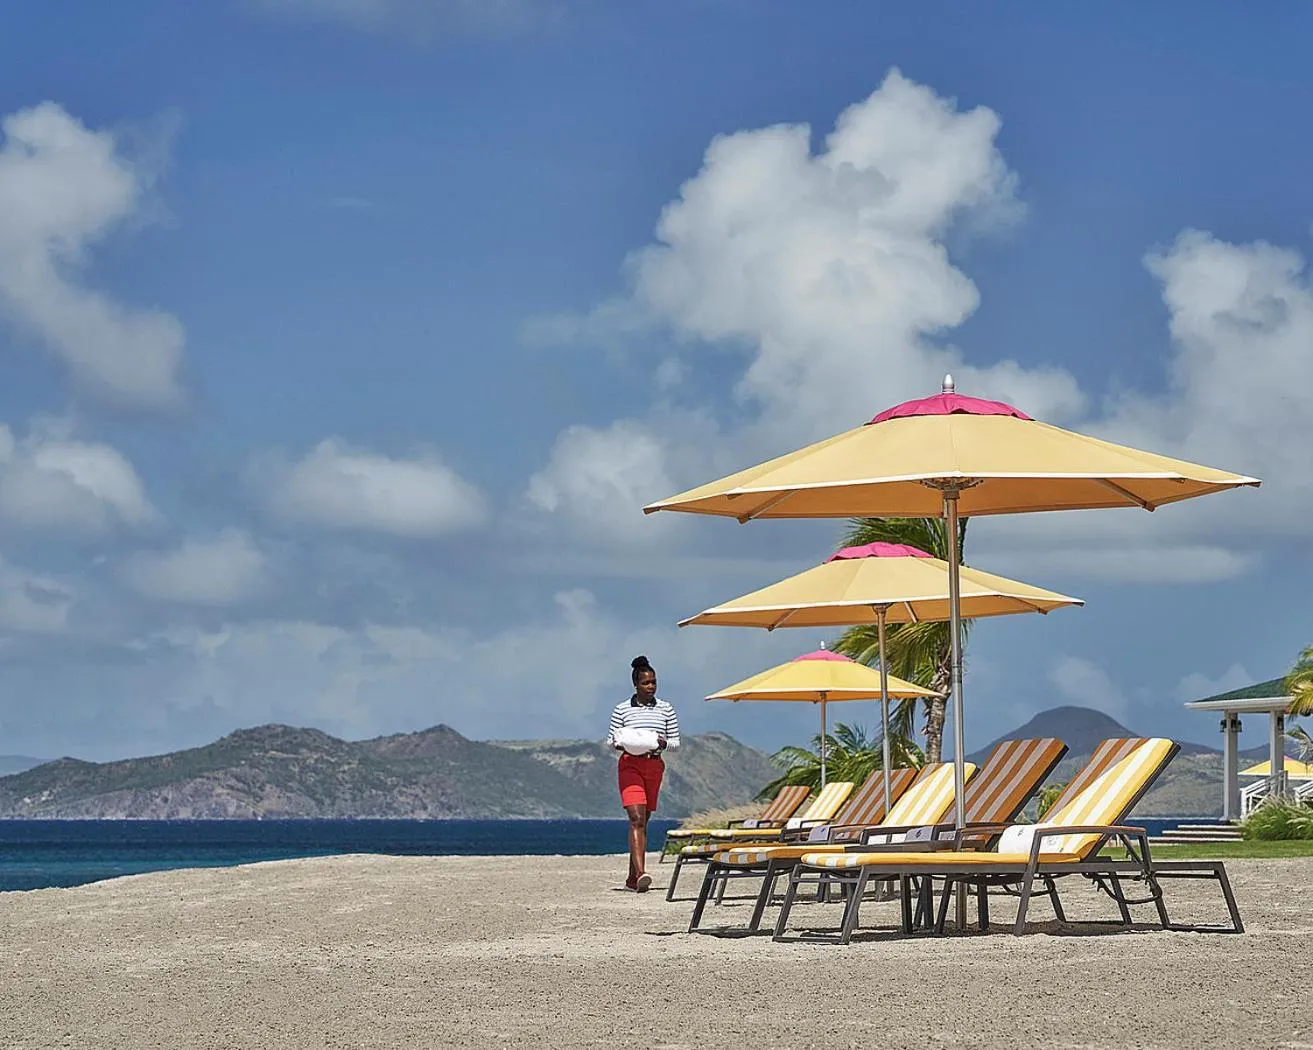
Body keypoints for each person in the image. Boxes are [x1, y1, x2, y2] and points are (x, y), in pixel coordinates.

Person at [606, 655, 680, 892]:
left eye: (654, 682)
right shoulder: (622, 709)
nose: (651, 687)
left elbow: (676, 742)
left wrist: (662, 742)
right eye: (646, 683)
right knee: (636, 818)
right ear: (636, 685)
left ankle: (631, 878)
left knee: (644, 821)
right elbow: (611, 741)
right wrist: (622, 743)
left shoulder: (666, 709)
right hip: (630, 765)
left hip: (654, 765)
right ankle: (641, 873)